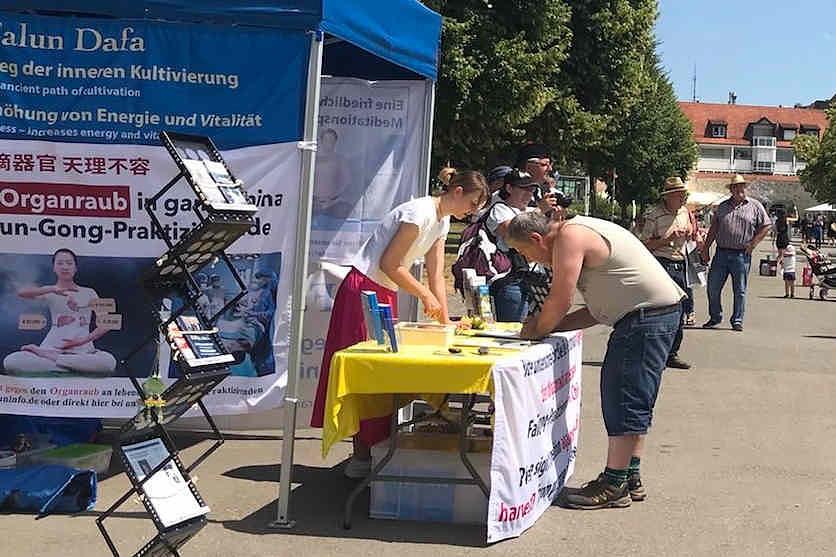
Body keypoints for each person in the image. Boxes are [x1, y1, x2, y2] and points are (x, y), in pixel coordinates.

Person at [310, 168, 488, 478]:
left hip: (383, 292)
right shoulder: (419, 212)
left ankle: (374, 447)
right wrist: (424, 298)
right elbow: (390, 264)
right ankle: (361, 453)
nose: (472, 212)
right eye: (472, 204)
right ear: (457, 192)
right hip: (363, 290)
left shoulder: (442, 220)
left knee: (381, 371)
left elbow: (436, 276)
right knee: (364, 371)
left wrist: (445, 323)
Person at [506, 211, 684, 510]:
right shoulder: (581, 232)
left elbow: (559, 300)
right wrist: (551, 325)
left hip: (644, 319)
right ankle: (629, 475)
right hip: (653, 315)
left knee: (624, 399)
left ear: (537, 239)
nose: (532, 260)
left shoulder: (569, 236)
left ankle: (613, 484)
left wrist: (535, 331)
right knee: (635, 397)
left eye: (526, 252)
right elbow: (596, 310)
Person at [3, 249, 117, 376]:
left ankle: (57, 361)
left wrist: (80, 341)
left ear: (75, 268)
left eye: (69, 263)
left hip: (82, 352)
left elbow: (107, 323)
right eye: (60, 263)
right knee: (11, 361)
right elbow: (22, 293)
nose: (65, 267)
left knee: (108, 362)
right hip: (50, 348)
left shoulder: (89, 292)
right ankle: (73, 365)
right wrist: (51, 289)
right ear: (54, 268)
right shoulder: (49, 292)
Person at [700, 174, 771, 332]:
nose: (739, 190)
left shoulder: (755, 206)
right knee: (713, 287)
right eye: (735, 187)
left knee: (739, 290)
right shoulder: (722, 207)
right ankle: (715, 316)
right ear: (731, 189)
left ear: (744, 188)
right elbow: (713, 229)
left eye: (741, 187)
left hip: (741, 255)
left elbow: (766, 225)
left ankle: (737, 320)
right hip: (721, 253)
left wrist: (753, 243)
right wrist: (705, 249)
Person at [640, 177, 695, 369]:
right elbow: (644, 245)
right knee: (660, 311)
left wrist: (690, 231)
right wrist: (666, 239)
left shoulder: (685, 212)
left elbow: (691, 231)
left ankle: (672, 353)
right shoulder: (654, 215)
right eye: (679, 194)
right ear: (668, 196)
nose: (683, 197)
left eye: (684, 194)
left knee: (680, 311)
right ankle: (656, 354)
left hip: (681, 264)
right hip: (661, 264)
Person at [484, 169, 540, 321]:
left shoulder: (531, 211)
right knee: (513, 331)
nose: (529, 193)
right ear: (509, 188)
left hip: (532, 277)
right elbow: (515, 234)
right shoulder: (500, 209)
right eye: (524, 188)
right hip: (510, 279)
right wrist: (542, 213)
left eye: (532, 189)